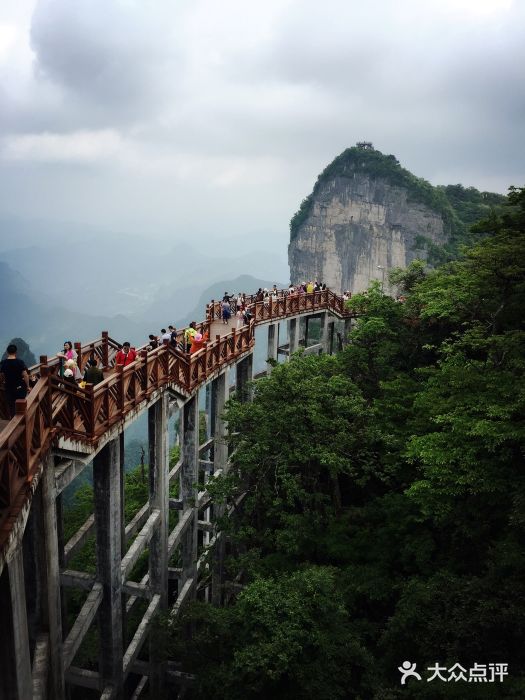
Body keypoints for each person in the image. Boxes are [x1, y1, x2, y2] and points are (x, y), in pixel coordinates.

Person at [0, 344, 31, 417]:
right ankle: (22, 423)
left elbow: (1, 375)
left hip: (8, 388)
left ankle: (13, 422)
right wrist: (28, 386)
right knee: (21, 406)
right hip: (19, 387)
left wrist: (3, 382)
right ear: (16, 352)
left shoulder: (3, 363)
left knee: (11, 407)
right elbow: (25, 375)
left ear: (7, 352)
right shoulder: (20, 362)